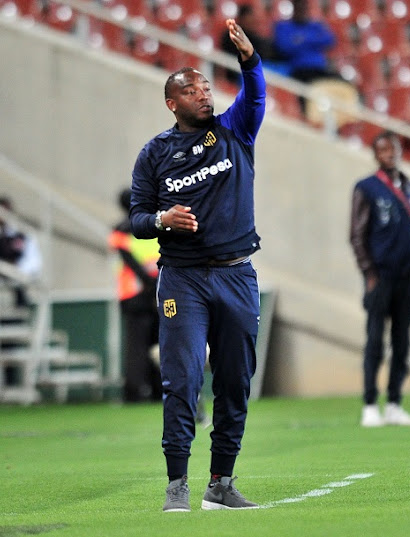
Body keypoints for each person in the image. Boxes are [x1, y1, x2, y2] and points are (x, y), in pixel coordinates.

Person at [130, 17, 264, 512]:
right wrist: (163, 218)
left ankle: (221, 483)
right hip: (182, 280)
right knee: (183, 380)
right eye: (191, 90)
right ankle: (176, 487)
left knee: (235, 381)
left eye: (207, 87)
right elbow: (137, 218)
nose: (204, 95)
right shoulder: (155, 154)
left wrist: (249, 59)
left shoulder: (234, 131)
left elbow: (255, 94)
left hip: (235, 273)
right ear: (173, 103)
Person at [349, 132, 410, 428]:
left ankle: (394, 403)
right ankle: (370, 404)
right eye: (382, 149)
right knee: (374, 341)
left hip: (407, 276)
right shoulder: (366, 188)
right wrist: (368, 272)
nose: (389, 153)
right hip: (380, 275)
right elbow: (356, 235)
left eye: (393, 148)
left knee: (402, 341)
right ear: (375, 154)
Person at [108, 187, 162, 403]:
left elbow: (127, 259)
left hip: (133, 294)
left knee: (137, 346)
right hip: (159, 290)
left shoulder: (119, 231)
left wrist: (146, 281)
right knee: (159, 344)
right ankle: (159, 390)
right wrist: (154, 282)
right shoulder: (153, 225)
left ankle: (134, 392)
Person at [0, 195, 42, 308]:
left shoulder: (23, 235)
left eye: (6, 211)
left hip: (16, 287)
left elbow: (34, 263)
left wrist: (15, 270)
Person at [272, 0, 338, 85]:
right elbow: (284, 47)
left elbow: (330, 40)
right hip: (299, 71)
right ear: (294, 7)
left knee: (344, 85)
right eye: (299, 6)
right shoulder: (283, 26)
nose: (302, 9)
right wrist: (315, 40)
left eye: (304, 6)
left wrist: (301, 39)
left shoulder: (316, 25)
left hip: (320, 69)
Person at [219, 4, 278, 84]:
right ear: (242, 19)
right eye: (250, 18)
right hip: (237, 74)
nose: (253, 21)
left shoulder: (257, 40)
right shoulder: (231, 36)